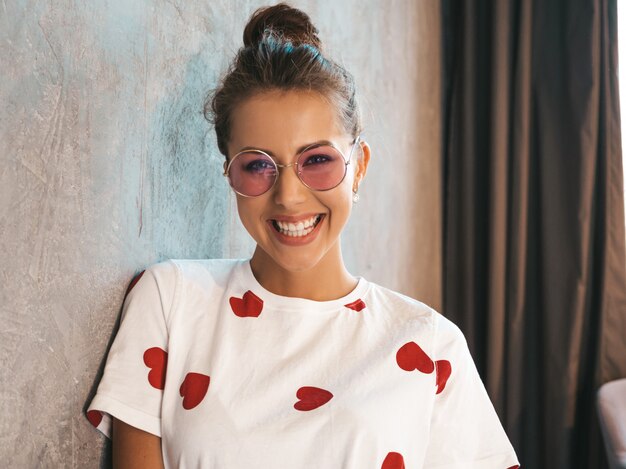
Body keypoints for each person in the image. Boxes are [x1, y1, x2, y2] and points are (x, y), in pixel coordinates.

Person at [86, 3, 521, 468]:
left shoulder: (431, 346)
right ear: (230, 174)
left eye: (317, 160)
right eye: (257, 165)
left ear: (359, 168)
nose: (289, 197)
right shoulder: (169, 301)